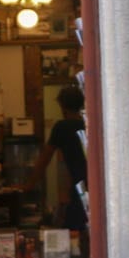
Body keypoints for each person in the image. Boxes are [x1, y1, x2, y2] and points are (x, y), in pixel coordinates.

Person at [23, 84, 88, 231]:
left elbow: (44, 160)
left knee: (72, 231)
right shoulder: (87, 124)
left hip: (78, 186)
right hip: (93, 183)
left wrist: (29, 185)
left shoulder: (61, 127)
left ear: (62, 106)